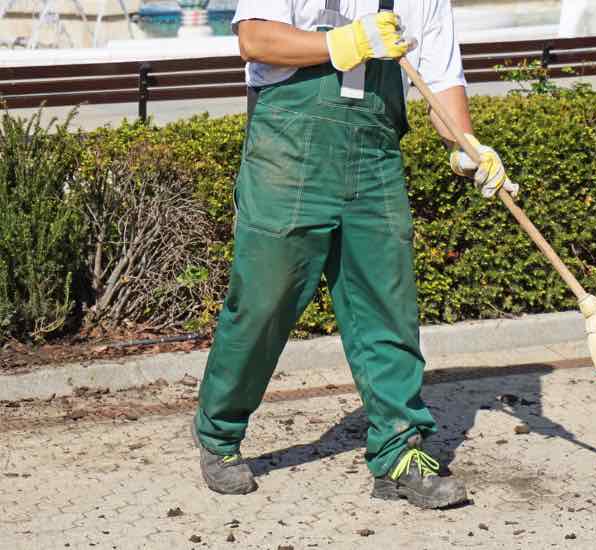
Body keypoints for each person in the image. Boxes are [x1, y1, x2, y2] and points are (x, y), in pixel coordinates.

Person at [192, 0, 518, 510]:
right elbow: (254, 38)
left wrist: (467, 145)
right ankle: (219, 433)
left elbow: (440, 77)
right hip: (288, 150)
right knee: (264, 301)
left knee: (387, 304)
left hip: (375, 156)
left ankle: (399, 452)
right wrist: (340, 43)